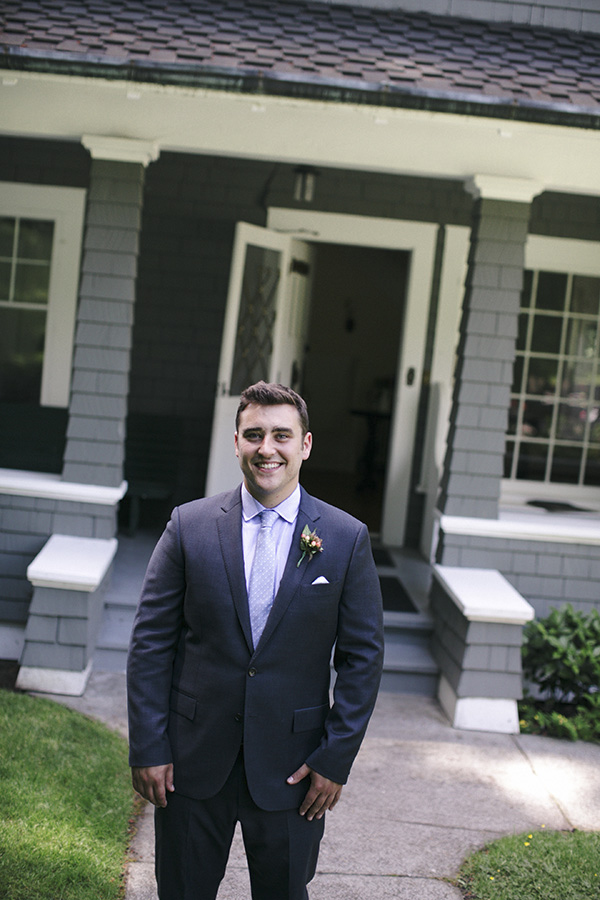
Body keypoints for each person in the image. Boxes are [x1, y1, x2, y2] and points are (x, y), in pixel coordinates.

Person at [127, 381, 384, 900]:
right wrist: (149, 745)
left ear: (305, 445)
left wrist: (334, 759)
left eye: (281, 435)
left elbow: (363, 658)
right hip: (192, 760)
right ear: (238, 442)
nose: (267, 448)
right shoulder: (189, 526)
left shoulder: (345, 538)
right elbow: (151, 643)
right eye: (255, 435)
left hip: (295, 768)